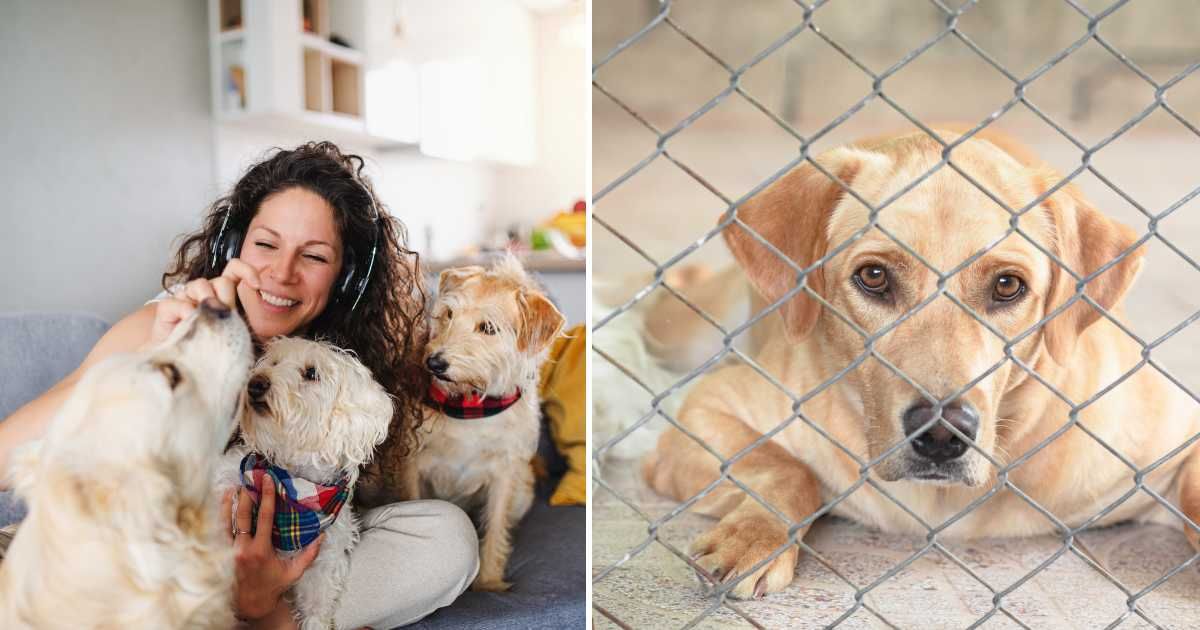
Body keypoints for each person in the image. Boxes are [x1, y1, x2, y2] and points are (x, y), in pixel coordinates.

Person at [0, 142, 479, 628]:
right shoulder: (172, 327)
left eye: (314, 256)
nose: (282, 273)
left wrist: (262, 597)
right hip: (141, 565)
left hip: (274, 564)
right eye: (266, 245)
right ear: (233, 247)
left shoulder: (345, 368)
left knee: (446, 538)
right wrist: (162, 362)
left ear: (347, 279)